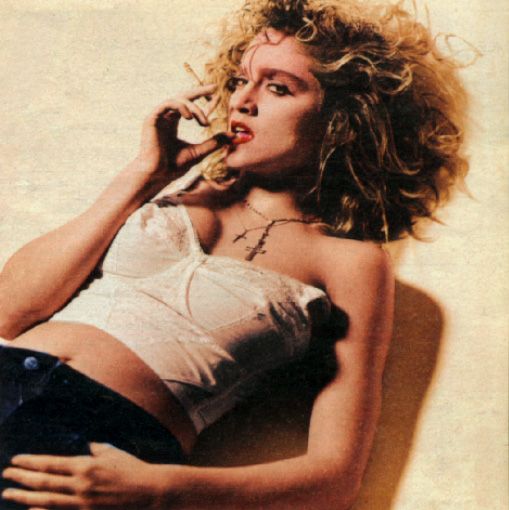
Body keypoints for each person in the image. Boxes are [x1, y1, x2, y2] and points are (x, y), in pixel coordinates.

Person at [0, 0, 467, 508]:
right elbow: (11, 311)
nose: (242, 101)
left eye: (278, 87)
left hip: (89, 457)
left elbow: (334, 477)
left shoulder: (351, 260)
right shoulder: (181, 188)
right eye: (241, 80)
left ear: (342, 118)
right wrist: (142, 176)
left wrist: (160, 489)